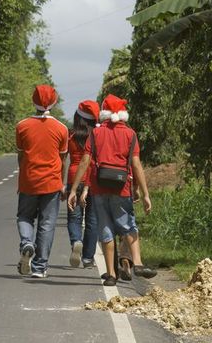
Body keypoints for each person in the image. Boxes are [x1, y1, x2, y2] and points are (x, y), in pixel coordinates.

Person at [68, 94, 156, 286]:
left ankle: (111, 275)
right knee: (128, 225)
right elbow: (136, 165)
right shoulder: (130, 134)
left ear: (105, 112)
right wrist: (145, 193)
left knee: (105, 230)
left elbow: (85, 161)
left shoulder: (96, 133)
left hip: (99, 189)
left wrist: (74, 189)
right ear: (123, 113)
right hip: (121, 188)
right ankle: (138, 263)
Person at [16, 85, 68, 279]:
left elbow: (21, 157)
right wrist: (62, 184)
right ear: (54, 103)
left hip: (29, 181)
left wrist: (23, 178)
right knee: (47, 223)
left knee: (24, 217)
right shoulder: (62, 129)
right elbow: (62, 160)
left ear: (33, 101)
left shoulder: (22, 126)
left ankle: (26, 243)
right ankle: (39, 267)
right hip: (52, 183)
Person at [65, 100, 100, 269]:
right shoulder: (98, 135)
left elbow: (64, 157)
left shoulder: (70, 135)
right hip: (93, 179)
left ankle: (76, 241)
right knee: (93, 219)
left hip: (74, 178)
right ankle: (87, 258)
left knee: (74, 217)